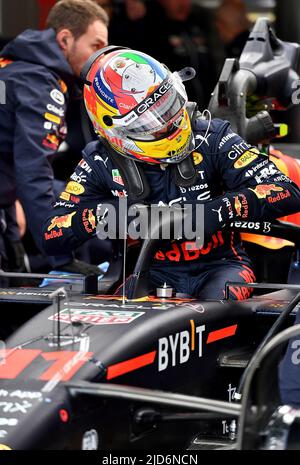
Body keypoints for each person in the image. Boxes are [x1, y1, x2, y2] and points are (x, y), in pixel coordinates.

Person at [42, 47, 300, 300]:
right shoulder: (100, 159)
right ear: (114, 128)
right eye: (149, 121)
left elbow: (287, 190)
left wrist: (220, 209)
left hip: (221, 268)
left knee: (219, 301)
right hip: (148, 273)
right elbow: (52, 234)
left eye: (167, 105)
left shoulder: (212, 137)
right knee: (121, 319)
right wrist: (105, 215)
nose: (167, 121)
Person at [0, 0, 109, 276]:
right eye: (96, 46)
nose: (101, 57)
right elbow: (32, 173)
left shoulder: (14, 69)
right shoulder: (37, 82)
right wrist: (62, 257)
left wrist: (12, 236)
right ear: (65, 39)